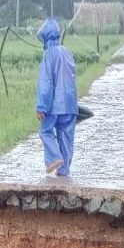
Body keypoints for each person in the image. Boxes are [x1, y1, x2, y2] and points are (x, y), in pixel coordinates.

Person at [35, 18, 78, 176]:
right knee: (66, 137)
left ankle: (54, 157)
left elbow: (45, 83)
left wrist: (41, 107)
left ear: (45, 38)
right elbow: (72, 79)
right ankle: (63, 173)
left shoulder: (49, 55)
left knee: (46, 132)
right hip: (70, 105)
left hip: (54, 105)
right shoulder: (67, 52)